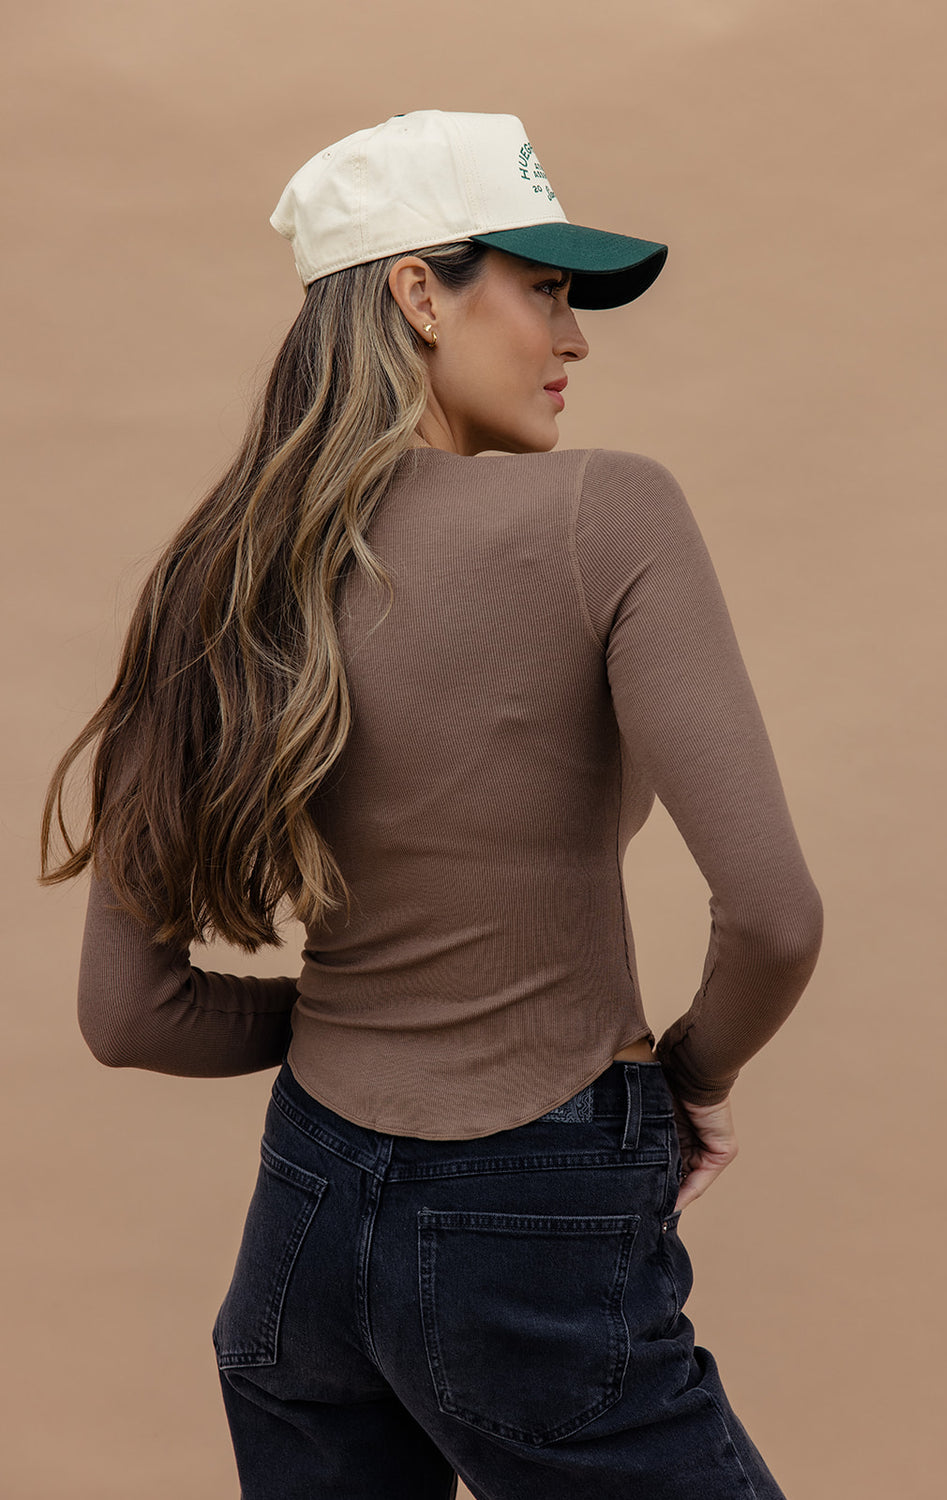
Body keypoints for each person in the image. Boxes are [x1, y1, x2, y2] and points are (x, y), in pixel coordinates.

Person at [41, 110, 823, 1499]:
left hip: (301, 1231)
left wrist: (357, 1018)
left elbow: (126, 1015)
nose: (574, 339)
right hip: (536, 1213)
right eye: (546, 289)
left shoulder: (211, 575)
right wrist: (686, 1083)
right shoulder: (606, 519)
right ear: (418, 291)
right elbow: (773, 919)